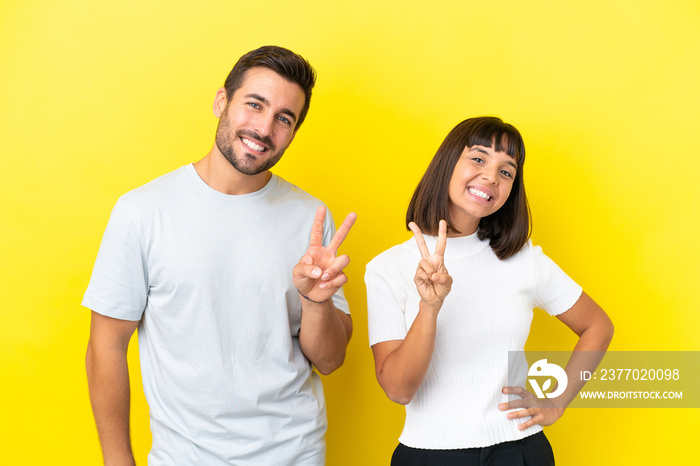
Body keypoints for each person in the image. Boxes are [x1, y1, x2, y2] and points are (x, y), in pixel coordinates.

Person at [84, 45, 356, 466]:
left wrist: (316, 302)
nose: (265, 128)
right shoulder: (142, 211)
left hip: (294, 453)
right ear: (221, 102)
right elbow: (106, 344)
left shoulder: (312, 220)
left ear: (293, 131)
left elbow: (332, 360)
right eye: (254, 105)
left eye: (284, 118)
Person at [365, 116, 614, 465]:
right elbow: (398, 389)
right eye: (478, 158)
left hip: (520, 451)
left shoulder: (523, 259)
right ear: (447, 163)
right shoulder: (386, 268)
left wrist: (556, 402)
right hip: (428, 455)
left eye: (506, 171)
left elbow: (598, 326)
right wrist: (430, 307)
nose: (491, 177)